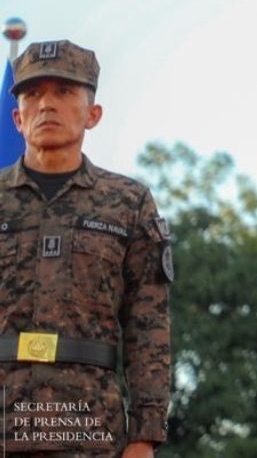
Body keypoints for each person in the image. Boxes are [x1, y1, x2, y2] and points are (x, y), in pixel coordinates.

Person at [0, 40, 172, 457]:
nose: (46, 105)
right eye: (34, 94)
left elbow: (147, 324)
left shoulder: (128, 203)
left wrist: (145, 436)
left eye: (64, 92)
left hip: (91, 427)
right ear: (17, 117)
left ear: (93, 114)